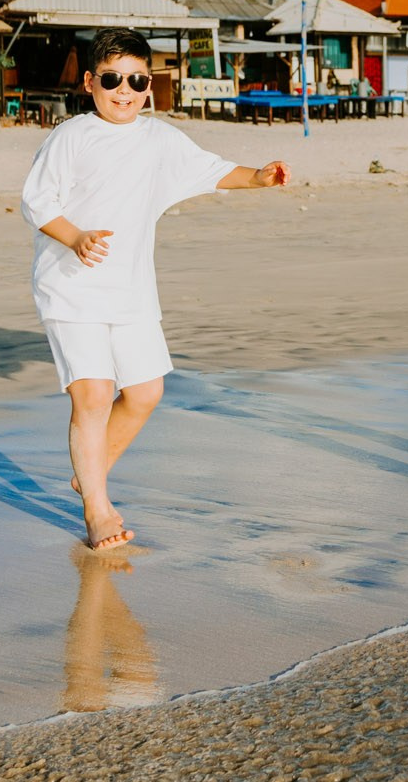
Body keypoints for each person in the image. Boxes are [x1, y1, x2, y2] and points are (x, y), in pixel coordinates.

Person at [20, 29, 290, 552]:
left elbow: (209, 171)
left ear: (150, 86)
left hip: (131, 290)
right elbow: (37, 202)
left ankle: (90, 470)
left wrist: (257, 177)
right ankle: (98, 508)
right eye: (113, 79)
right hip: (70, 286)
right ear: (89, 83)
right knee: (94, 394)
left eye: (136, 80)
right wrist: (74, 236)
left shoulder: (160, 138)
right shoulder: (71, 136)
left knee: (145, 393)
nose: (124, 91)